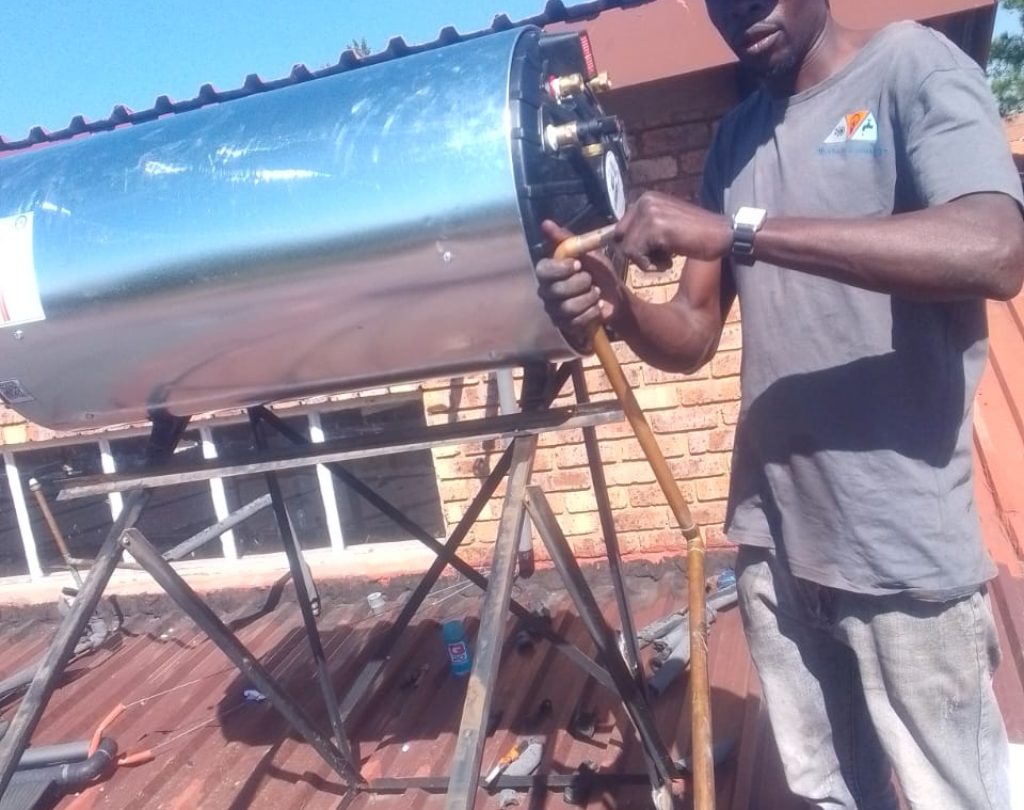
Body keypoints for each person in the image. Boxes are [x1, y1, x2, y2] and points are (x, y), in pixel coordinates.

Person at [535, 1, 1024, 808]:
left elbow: (994, 249)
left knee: (954, 793)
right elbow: (692, 332)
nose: (746, 12)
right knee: (829, 792)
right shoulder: (735, 140)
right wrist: (617, 309)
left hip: (899, 541)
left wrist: (743, 232)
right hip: (775, 541)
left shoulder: (913, 69)